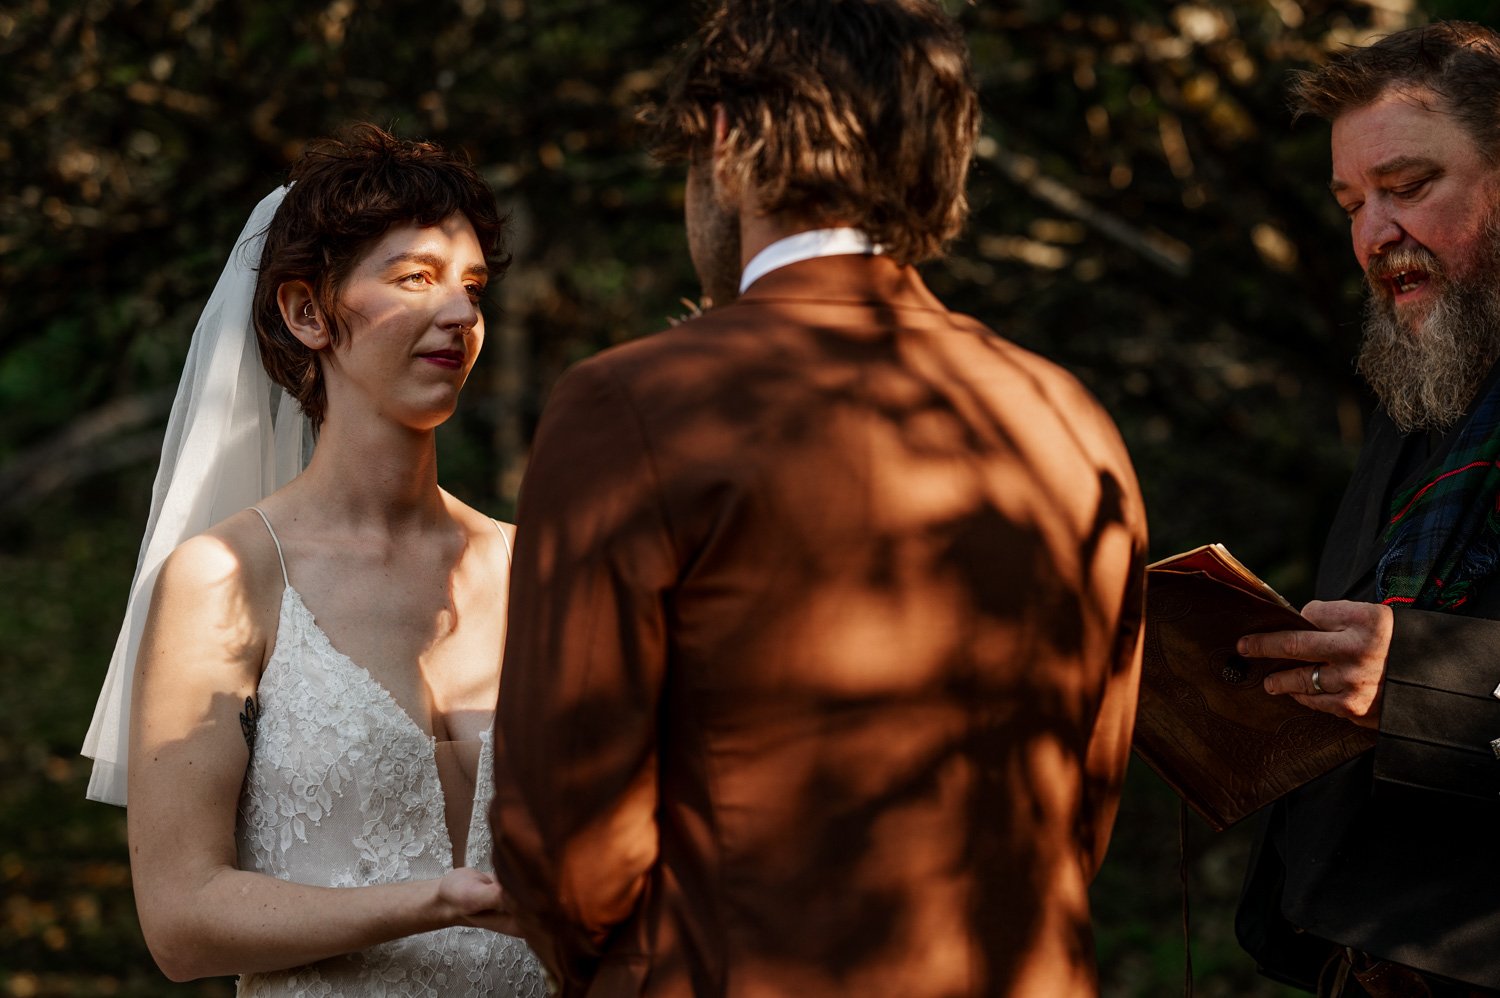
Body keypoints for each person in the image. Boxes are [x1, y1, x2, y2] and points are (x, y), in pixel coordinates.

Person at [488, 2, 1149, 995]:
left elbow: (569, 848)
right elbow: (1079, 806)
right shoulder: (1071, 420)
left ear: (725, 140)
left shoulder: (631, 406)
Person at [80, 125, 546, 996]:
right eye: (415, 278)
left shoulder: (534, 569)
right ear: (307, 313)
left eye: (473, 287)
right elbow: (181, 923)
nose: (461, 315)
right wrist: (435, 900)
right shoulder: (224, 579)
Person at [1234, 21, 1500, 998]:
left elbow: (1420, 679)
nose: (1372, 233)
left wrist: (1426, 686)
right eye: (1352, 201)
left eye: (1409, 186)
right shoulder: (1424, 380)